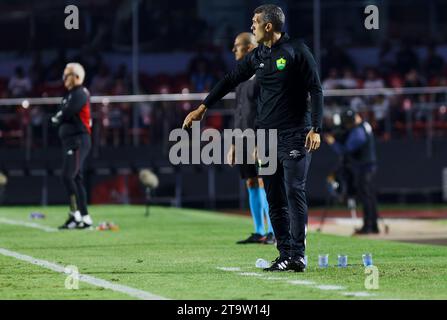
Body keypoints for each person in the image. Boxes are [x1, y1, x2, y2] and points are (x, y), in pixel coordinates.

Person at [183, 4, 323, 272]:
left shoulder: (297, 50)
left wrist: (315, 127)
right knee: (274, 196)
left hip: (295, 134)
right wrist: (203, 107)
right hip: (266, 137)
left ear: (268, 26)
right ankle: (284, 254)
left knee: (294, 190)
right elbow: (230, 78)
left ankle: (299, 253)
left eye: (255, 22)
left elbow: (316, 89)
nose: (252, 26)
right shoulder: (258, 55)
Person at [227, 32, 274, 245]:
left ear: (249, 48)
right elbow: (239, 111)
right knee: (251, 181)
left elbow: (267, 110)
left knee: (267, 182)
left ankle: (274, 232)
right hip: (243, 137)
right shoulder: (241, 75)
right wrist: (235, 143)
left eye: (237, 46)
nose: (233, 50)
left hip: (262, 137)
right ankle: (258, 230)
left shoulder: (264, 73)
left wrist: (260, 140)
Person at [324, 109, 380, 235]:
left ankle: (368, 226)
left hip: (364, 168)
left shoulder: (358, 131)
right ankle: (373, 225)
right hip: (368, 166)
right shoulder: (364, 126)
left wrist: (333, 143)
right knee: (369, 197)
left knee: (366, 197)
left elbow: (345, 150)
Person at [52, 63, 93, 229]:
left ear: (77, 77)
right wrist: (59, 116)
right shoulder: (69, 94)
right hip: (71, 140)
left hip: (79, 140)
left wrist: (59, 117)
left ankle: (75, 214)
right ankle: (85, 218)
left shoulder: (80, 93)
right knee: (76, 178)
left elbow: (66, 112)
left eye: (67, 74)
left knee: (67, 176)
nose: (64, 78)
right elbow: (60, 113)